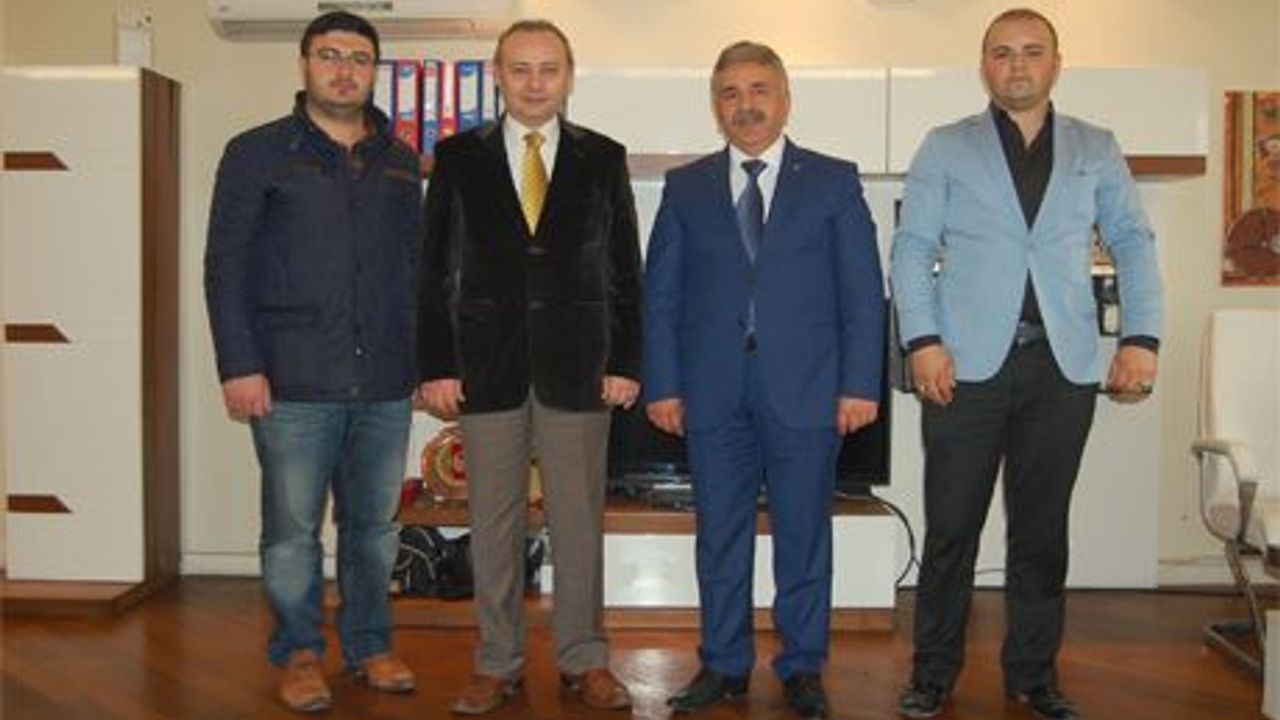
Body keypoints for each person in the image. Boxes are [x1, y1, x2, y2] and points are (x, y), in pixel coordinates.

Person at [889, 8, 1163, 720]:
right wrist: (922, 340)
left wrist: (1142, 337)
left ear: (1056, 64)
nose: (1017, 64)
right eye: (1002, 52)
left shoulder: (1096, 146)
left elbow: (1132, 240)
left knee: (1042, 533)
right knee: (952, 530)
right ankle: (933, 674)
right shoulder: (946, 145)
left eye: (1032, 51)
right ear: (985, 66)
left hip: (1061, 369)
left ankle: (1034, 676)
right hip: (963, 368)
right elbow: (913, 247)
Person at [644, 41, 885, 720]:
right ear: (715, 105)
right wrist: (663, 385)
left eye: (759, 90)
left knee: (804, 536)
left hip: (807, 390)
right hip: (712, 390)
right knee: (719, 536)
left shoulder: (833, 181)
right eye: (730, 93)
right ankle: (723, 664)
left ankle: (803, 665)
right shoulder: (686, 186)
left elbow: (862, 293)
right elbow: (661, 296)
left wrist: (860, 384)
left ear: (784, 100)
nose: (745, 105)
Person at [416, 19, 641, 716]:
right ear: (497, 75)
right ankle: (497, 662)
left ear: (569, 77)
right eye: (520, 69)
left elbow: (624, 270)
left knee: (579, 525)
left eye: (549, 69)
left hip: (580, 368)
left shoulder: (603, 158)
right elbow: (434, 269)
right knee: (493, 525)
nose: (535, 83)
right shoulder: (457, 157)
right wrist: (438, 363)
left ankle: (584, 660)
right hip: (487, 368)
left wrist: (625, 360)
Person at [204, 10, 421, 714]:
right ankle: (299, 653)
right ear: (305, 65)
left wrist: (423, 362)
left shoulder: (399, 160)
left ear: (374, 70)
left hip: (384, 379)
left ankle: (369, 646)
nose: (344, 70)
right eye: (330, 55)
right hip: (292, 379)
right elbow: (225, 267)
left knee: (374, 529)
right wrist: (239, 364)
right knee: (292, 533)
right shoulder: (256, 152)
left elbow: (415, 271)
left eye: (359, 58)